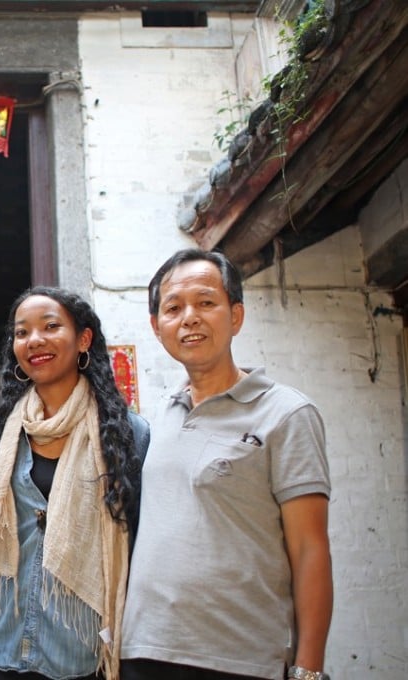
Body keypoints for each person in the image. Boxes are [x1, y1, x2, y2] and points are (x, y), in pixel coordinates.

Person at [120, 249, 332, 680]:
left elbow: (310, 550)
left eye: (206, 302)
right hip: (144, 651)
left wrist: (309, 671)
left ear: (236, 316)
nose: (190, 317)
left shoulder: (286, 413)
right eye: (174, 308)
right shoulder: (156, 418)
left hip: (239, 659)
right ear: (157, 327)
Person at [0, 287, 148, 680]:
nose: (34, 340)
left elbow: (139, 554)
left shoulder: (127, 435)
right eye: (22, 332)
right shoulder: (0, 437)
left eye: (51, 327)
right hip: (4, 655)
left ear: (83, 339)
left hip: (86, 661)